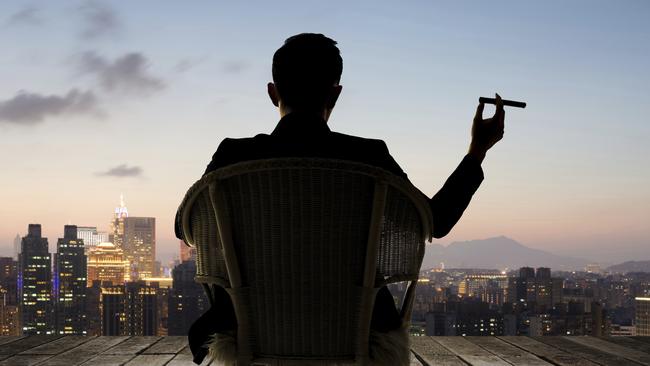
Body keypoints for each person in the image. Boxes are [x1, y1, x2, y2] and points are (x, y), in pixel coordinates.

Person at [176, 33, 505, 364]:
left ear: (272, 92)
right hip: (360, 332)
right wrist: (477, 151)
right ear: (336, 93)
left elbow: (184, 226)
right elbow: (437, 220)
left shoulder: (233, 155)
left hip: (249, 331)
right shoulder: (370, 157)